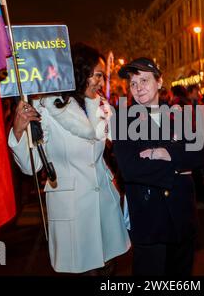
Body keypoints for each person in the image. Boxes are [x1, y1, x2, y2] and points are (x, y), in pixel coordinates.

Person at [8, 43, 130, 274]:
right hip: (73, 209)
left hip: (104, 204)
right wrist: (18, 131)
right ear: (79, 72)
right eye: (97, 75)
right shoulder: (46, 108)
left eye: (103, 76)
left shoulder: (102, 107)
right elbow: (29, 166)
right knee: (83, 270)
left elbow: (123, 143)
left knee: (108, 268)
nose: (101, 82)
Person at [112, 57, 203, 276]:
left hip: (182, 217)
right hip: (150, 222)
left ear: (159, 82)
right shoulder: (122, 121)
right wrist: (177, 166)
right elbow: (131, 168)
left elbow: (200, 154)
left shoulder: (178, 115)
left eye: (144, 80)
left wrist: (166, 153)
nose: (138, 87)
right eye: (133, 83)